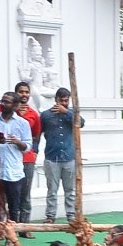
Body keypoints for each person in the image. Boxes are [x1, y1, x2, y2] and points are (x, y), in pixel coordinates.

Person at [0, 90, 32, 223]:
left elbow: (28, 146)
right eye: (2, 101)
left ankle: (12, 236)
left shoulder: (23, 123)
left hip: (14, 172)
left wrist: (18, 142)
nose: (3, 104)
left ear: (15, 105)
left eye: (7, 102)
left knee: (13, 207)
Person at [39, 87, 82, 223]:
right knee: (52, 190)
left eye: (66, 101)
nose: (64, 103)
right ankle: (50, 216)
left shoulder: (72, 115)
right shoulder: (46, 115)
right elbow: (40, 132)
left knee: (70, 190)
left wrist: (67, 113)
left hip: (69, 157)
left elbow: (81, 123)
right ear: (56, 100)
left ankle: (71, 216)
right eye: (61, 100)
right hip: (52, 158)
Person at [14, 80, 42, 232]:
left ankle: (25, 227)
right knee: (12, 193)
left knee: (25, 193)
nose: (24, 95)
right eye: (21, 92)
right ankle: (13, 226)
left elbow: (37, 135)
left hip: (27, 158)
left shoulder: (34, 114)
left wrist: (35, 151)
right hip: (10, 158)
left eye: (26, 92)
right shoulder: (7, 110)